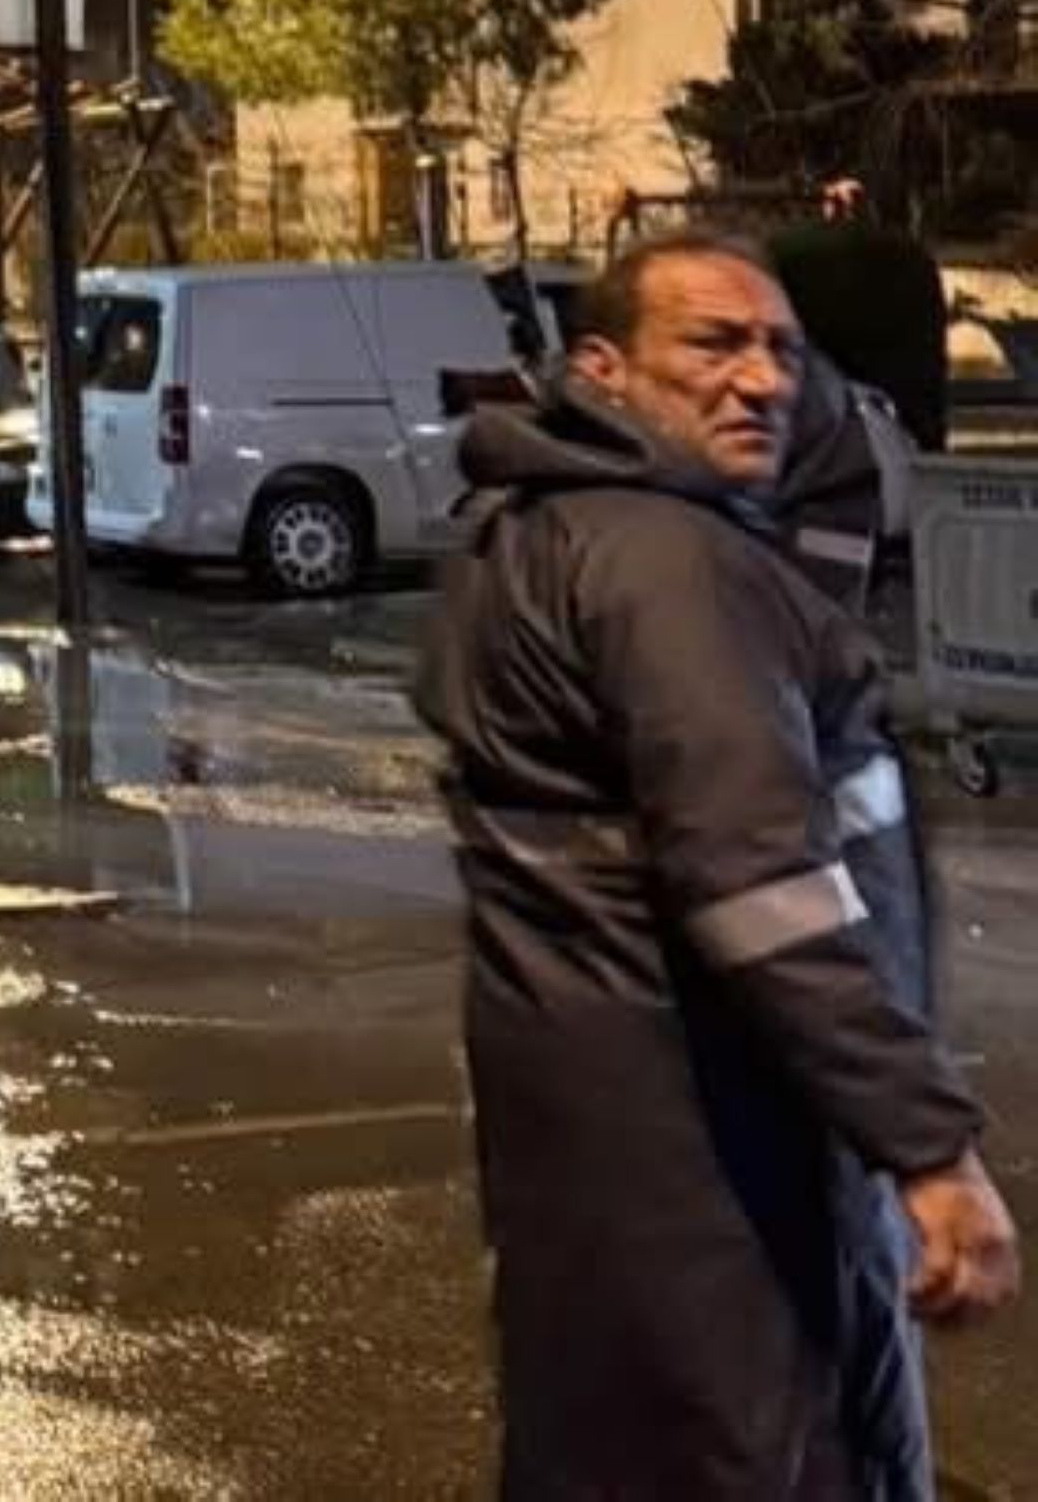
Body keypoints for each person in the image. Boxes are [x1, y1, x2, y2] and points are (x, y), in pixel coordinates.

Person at [417, 233, 1018, 1498]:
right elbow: (760, 889)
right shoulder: (669, 566)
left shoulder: (526, 533)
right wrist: (925, 1144)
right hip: (722, 1162)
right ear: (602, 369)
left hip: (599, 1157)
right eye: (713, 345)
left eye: (782, 351)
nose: (762, 380)